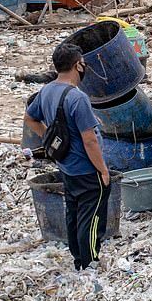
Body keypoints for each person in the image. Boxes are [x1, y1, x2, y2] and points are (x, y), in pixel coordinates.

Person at [24, 43, 111, 271]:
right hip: (86, 168)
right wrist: (103, 170)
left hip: (66, 166)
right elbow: (89, 140)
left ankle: (78, 259)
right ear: (77, 65)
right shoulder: (77, 98)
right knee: (91, 217)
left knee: (73, 213)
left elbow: (30, 118)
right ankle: (90, 261)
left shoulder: (46, 91)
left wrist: (47, 137)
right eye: (83, 63)